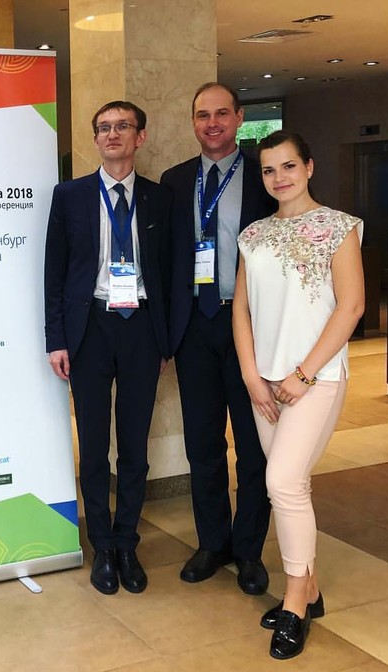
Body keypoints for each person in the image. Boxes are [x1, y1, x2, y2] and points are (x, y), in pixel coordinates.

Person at [233, 130, 364, 659]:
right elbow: (240, 308)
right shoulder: (253, 234)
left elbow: (351, 307)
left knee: (282, 482)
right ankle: (309, 588)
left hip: (316, 379)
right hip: (264, 383)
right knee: (290, 486)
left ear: (309, 167)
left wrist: (303, 375)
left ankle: (293, 604)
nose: (279, 177)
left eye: (288, 166)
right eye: (269, 169)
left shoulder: (339, 227)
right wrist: (251, 376)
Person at [44, 100, 171, 595]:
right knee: (94, 446)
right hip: (89, 329)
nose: (112, 134)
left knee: (134, 445)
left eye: (122, 126)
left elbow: (170, 273)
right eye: (104, 128)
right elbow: (54, 273)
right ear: (95, 139)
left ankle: (127, 542)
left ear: (140, 136)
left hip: (141, 329)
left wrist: (166, 339)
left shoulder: (160, 199)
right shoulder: (70, 196)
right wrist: (57, 339)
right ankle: (102, 544)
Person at [161, 82, 275, 595]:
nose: (212, 123)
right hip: (195, 326)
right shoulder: (175, 180)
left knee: (253, 446)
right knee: (202, 442)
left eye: (222, 114)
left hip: (250, 324)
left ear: (239, 118)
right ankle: (213, 542)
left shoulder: (263, 176)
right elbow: (166, 259)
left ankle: (248, 551)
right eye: (203, 115)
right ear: (193, 121)